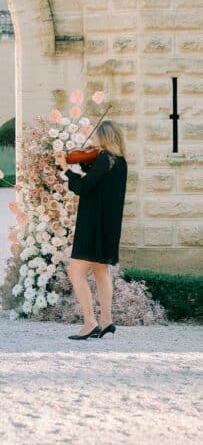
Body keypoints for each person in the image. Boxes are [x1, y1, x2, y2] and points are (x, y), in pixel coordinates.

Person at [55, 119, 128, 340]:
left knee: (75, 272)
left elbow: (84, 187)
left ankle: (90, 323)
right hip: (108, 226)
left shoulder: (104, 159)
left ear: (105, 138)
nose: (94, 142)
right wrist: (82, 164)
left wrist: (66, 169)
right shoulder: (119, 162)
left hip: (92, 224)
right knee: (100, 271)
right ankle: (106, 321)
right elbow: (97, 179)